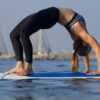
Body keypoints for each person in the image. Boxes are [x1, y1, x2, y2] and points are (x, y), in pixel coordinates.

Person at [6, 7, 100, 76]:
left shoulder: (80, 36)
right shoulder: (82, 36)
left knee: (23, 33)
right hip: (51, 14)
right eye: (89, 49)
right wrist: (89, 69)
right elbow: (91, 49)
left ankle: (28, 68)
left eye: (89, 49)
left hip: (52, 15)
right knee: (13, 35)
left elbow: (92, 49)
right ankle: (19, 65)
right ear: (84, 44)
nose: (91, 47)